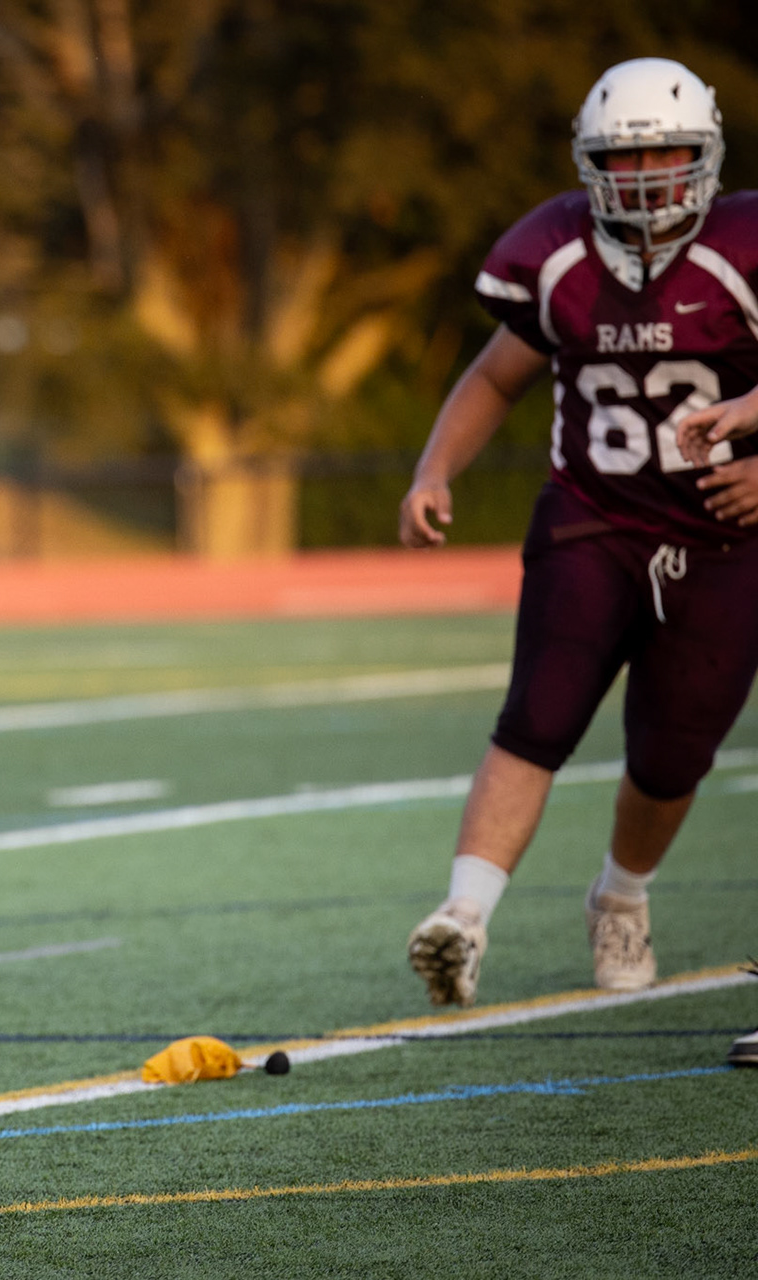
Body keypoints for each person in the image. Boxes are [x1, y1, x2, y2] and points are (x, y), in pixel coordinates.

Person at [400, 58, 758, 1030]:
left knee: (672, 749)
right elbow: (493, 375)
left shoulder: (744, 246)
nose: (644, 172)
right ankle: (465, 915)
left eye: (664, 150)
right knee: (538, 712)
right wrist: (434, 470)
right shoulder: (555, 251)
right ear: (588, 161)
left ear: (707, 151)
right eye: (623, 154)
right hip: (592, 518)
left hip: (728, 535)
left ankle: (622, 895)